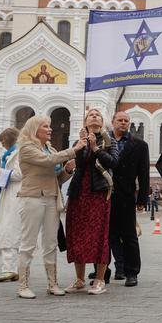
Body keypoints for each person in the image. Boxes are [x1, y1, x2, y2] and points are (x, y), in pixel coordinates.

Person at [16, 116, 84, 298]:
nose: (50, 129)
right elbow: (47, 161)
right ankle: (23, 285)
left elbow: (56, 178)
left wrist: (68, 170)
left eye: (49, 126)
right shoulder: (27, 148)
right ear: (34, 129)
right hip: (32, 197)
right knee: (28, 243)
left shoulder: (51, 149)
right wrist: (74, 150)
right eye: (45, 126)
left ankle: (52, 284)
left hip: (51, 197)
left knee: (51, 243)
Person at [64, 109, 118, 295]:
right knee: (77, 234)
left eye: (98, 115)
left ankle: (100, 279)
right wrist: (76, 155)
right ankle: (79, 279)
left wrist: (95, 148)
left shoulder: (109, 140)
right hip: (79, 192)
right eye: (90, 114)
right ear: (85, 121)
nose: (94, 116)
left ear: (102, 122)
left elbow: (114, 162)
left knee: (98, 234)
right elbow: (76, 165)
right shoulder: (78, 141)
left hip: (99, 193)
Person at [107, 111, 150, 287]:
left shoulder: (139, 145)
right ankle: (103, 270)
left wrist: (142, 199)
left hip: (126, 195)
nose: (123, 123)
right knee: (107, 235)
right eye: (120, 120)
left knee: (129, 235)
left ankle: (132, 272)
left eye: (126, 121)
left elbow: (144, 173)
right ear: (113, 122)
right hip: (105, 194)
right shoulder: (103, 141)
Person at [0, 128, 22, 282]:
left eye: (2, 141)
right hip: (8, 195)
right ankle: (11, 268)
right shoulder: (9, 154)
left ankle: (9, 268)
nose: (2, 145)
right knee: (7, 230)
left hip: (15, 195)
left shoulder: (18, 153)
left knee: (10, 231)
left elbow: (19, 174)